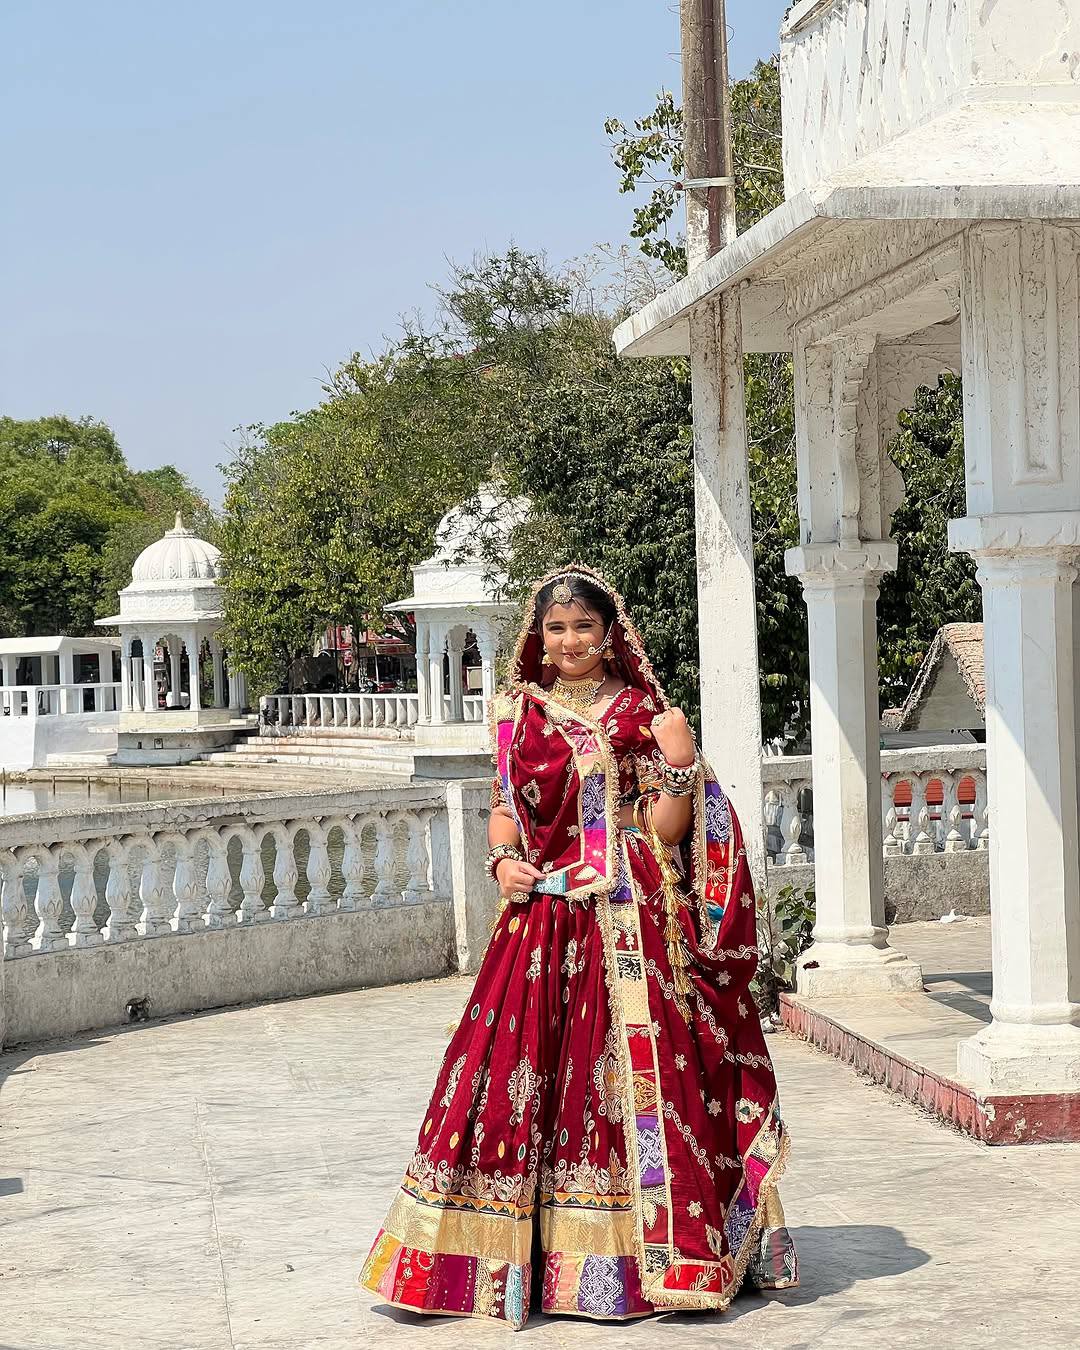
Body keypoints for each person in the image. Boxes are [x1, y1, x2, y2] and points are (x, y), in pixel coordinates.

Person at [360, 564, 797, 1327]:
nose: (569, 642)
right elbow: (504, 807)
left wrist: (681, 763)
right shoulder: (517, 714)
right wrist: (502, 861)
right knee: (508, 1081)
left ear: (609, 634)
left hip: (624, 920)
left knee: (639, 1087)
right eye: (557, 629)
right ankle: (472, 1263)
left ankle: (655, 1259)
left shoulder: (638, 713)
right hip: (539, 925)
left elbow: (664, 832)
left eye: (584, 629)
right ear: (539, 634)